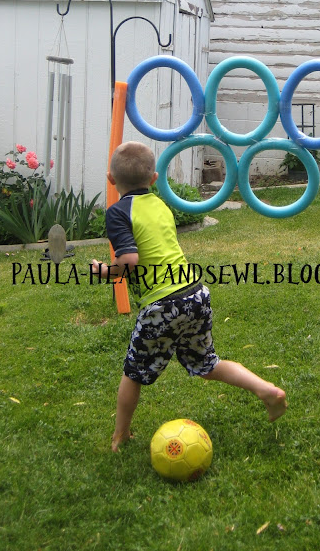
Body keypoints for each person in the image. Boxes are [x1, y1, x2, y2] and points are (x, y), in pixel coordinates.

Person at [92, 141, 287, 452]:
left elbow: (129, 261)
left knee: (133, 373)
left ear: (111, 179)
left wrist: (104, 271)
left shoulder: (118, 212)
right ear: (154, 178)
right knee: (207, 364)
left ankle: (120, 435)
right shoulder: (161, 205)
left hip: (162, 304)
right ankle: (265, 390)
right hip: (195, 294)